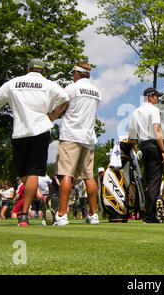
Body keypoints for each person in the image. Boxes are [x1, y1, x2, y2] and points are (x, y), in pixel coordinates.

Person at [0, 58, 69, 226]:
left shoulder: (14, 83)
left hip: (20, 133)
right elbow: (65, 98)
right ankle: (29, 211)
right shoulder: (49, 84)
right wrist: (53, 116)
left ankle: (25, 212)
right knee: (33, 172)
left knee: (25, 174)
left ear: (28, 69)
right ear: (43, 71)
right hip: (41, 130)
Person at [54, 61, 101, 226]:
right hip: (88, 137)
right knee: (89, 176)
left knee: (66, 173)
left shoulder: (71, 88)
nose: (72, 76)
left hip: (71, 135)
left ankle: (61, 215)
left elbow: (60, 108)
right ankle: (94, 215)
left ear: (77, 73)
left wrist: (49, 118)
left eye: (72, 73)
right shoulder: (96, 91)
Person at [128, 87, 164, 224]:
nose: (158, 99)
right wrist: (163, 151)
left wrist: (133, 146)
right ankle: (149, 216)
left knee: (150, 180)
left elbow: (132, 133)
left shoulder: (136, 111)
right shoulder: (154, 110)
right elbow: (157, 130)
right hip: (153, 146)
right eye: (156, 96)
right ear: (150, 97)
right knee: (155, 181)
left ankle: (149, 213)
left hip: (143, 146)